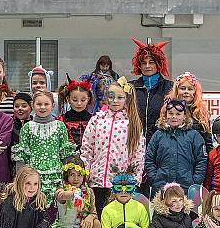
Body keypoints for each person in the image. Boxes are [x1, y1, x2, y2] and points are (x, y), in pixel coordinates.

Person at [80, 78, 145, 215]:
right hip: (96, 181)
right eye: (111, 97)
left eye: (120, 97)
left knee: (117, 220)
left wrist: (133, 179)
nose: (115, 100)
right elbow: (87, 149)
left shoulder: (132, 123)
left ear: (126, 99)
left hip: (120, 184)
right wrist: (85, 174)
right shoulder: (97, 119)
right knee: (96, 217)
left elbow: (138, 154)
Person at [12, 90, 75, 203]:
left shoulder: (60, 126)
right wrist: (20, 179)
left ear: (53, 106)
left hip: (55, 174)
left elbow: (66, 155)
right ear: (33, 105)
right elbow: (21, 157)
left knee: (54, 208)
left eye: (46, 104)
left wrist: (67, 178)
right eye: (39, 104)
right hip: (33, 176)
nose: (42, 107)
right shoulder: (27, 127)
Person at [144, 98, 207, 199]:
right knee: (162, 213)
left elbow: (201, 160)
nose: (174, 117)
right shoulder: (158, 135)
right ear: (166, 115)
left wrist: (195, 181)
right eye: (170, 113)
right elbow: (149, 159)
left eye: (178, 114)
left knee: (186, 214)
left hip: (186, 187)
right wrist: (154, 178)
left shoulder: (194, 135)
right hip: (161, 186)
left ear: (185, 116)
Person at [130, 39, 174, 142]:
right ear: (139, 65)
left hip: (162, 142)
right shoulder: (130, 87)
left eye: (151, 62)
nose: (147, 66)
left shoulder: (170, 87)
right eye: (143, 63)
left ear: (158, 64)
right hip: (135, 143)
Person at [168, 71, 212, 153]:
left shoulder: (201, 113)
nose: (186, 92)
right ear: (177, 91)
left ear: (195, 92)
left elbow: (208, 141)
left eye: (190, 89)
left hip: (196, 157)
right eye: (182, 88)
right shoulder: (168, 109)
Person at [58, 76, 94, 151]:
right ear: (68, 99)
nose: (79, 103)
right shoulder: (62, 120)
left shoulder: (94, 120)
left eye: (83, 100)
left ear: (88, 99)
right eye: (75, 100)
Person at [9, 92, 32, 178]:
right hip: (13, 167)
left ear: (31, 107)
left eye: (24, 106)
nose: (20, 109)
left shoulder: (34, 125)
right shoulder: (9, 124)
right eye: (17, 106)